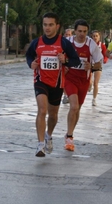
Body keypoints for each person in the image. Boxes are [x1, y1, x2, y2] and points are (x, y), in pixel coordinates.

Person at [25, 12, 80, 157]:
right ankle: (40, 145)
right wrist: (31, 63)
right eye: (45, 25)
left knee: (53, 114)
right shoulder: (37, 42)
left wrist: (66, 61)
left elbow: (76, 60)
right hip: (40, 80)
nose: (47, 28)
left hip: (57, 83)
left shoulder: (63, 43)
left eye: (50, 25)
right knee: (42, 110)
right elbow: (29, 55)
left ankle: (49, 135)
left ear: (57, 26)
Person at [64, 19, 103, 151]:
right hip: (70, 79)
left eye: (84, 31)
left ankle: (70, 133)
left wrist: (91, 66)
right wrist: (64, 65)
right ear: (75, 31)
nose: (82, 34)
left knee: (77, 109)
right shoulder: (68, 42)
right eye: (79, 31)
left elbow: (99, 63)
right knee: (73, 106)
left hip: (84, 81)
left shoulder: (91, 44)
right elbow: (59, 57)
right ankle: (69, 137)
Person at [89, 30, 108, 106]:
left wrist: (105, 59)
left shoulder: (102, 45)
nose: (95, 37)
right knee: (89, 81)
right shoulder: (89, 44)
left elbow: (105, 54)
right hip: (90, 65)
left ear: (99, 37)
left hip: (98, 65)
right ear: (91, 37)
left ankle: (94, 99)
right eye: (94, 36)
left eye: (96, 36)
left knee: (96, 83)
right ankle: (89, 85)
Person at [62, 29, 74, 104]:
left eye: (69, 35)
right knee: (64, 81)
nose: (67, 36)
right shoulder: (61, 43)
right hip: (64, 64)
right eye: (66, 34)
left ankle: (71, 95)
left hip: (72, 65)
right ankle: (65, 96)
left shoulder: (73, 44)